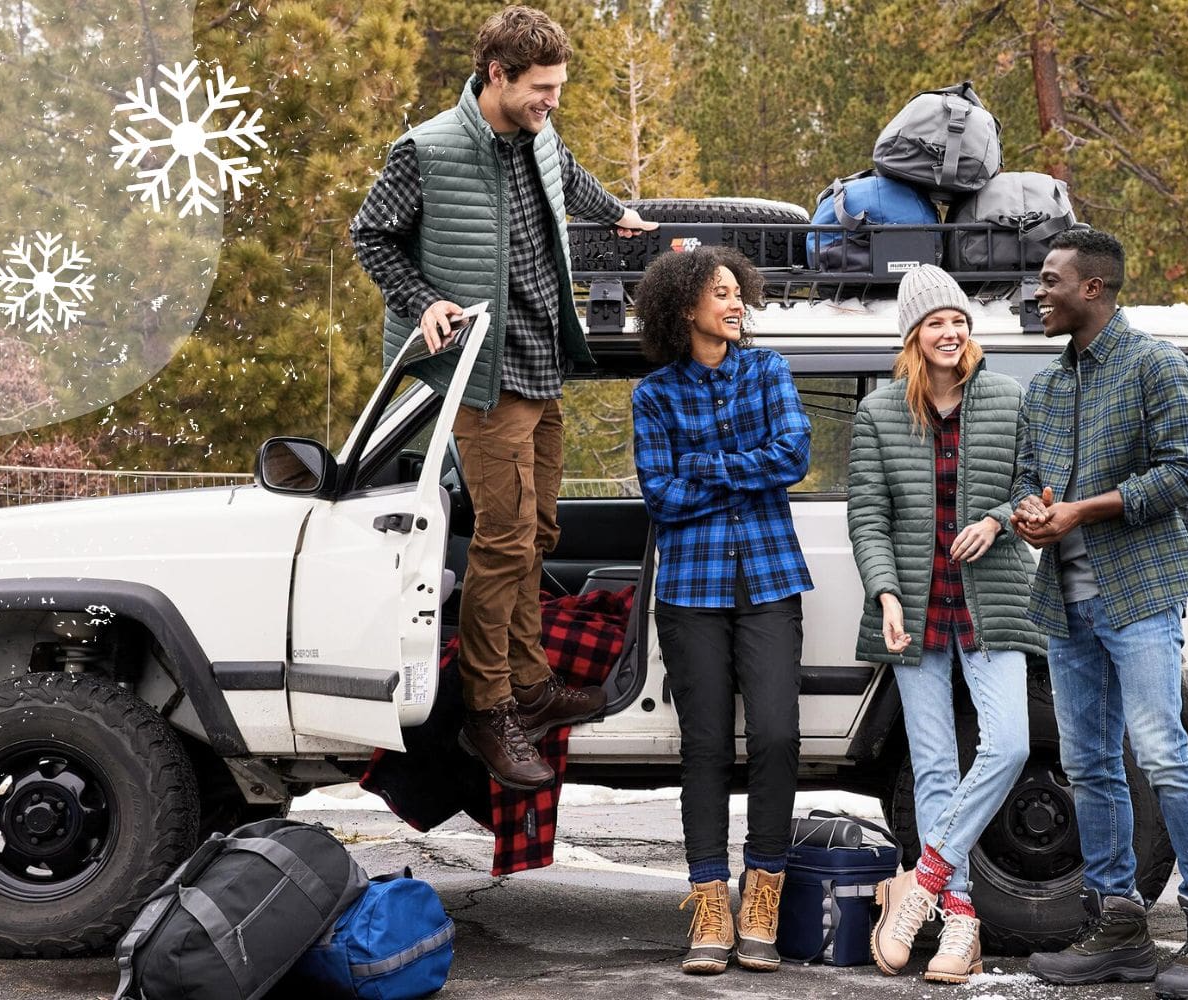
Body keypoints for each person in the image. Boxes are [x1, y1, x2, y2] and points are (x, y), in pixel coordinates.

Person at [349, 5, 655, 791]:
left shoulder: (541, 134)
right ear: (497, 76)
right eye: (540, 89)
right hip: (479, 371)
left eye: (558, 88)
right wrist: (423, 299)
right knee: (505, 540)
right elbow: (370, 235)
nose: (551, 100)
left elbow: (569, 173)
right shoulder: (428, 149)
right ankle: (491, 710)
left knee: (538, 528)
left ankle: (534, 682)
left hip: (541, 357)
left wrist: (617, 214)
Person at [1011, 229, 1188, 999]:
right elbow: (1025, 477)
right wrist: (1029, 511)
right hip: (1067, 604)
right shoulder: (1046, 389)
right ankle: (1118, 925)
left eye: (1049, 281)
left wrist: (1084, 510)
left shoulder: (1155, 365)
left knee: (1162, 755)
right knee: (1087, 766)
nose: (1037, 293)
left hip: (1140, 592)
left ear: (1094, 289)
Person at [848, 266, 1039, 985]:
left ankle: (922, 880)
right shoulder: (879, 412)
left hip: (992, 604)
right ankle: (960, 923)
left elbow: (1033, 484)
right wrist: (886, 594)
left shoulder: (1007, 399)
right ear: (914, 336)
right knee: (933, 764)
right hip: (917, 611)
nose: (951, 333)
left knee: (1011, 742)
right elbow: (867, 515)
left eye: (958, 320)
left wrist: (996, 521)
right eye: (936, 323)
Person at [630, 247, 812, 976]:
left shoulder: (768, 371)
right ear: (685, 309)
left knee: (774, 736)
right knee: (705, 747)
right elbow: (658, 496)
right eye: (721, 294)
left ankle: (761, 894)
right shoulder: (654, 395)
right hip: (690, 594)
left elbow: (793, 456)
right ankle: (710, 902)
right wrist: (742, 472)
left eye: (739, 292)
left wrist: (702, 468)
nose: (736, 304)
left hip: (769, 581)